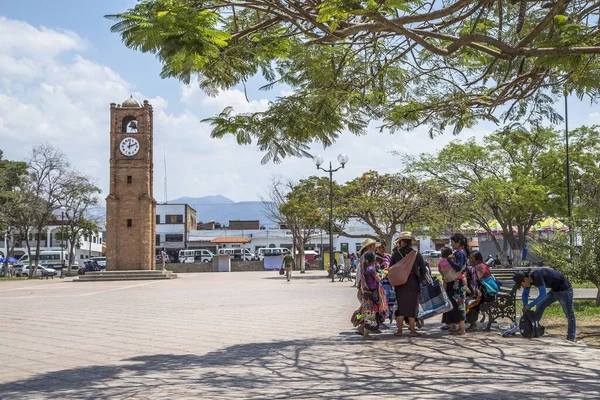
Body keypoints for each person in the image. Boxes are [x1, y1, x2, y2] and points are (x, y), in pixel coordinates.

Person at [513, 268, 576, 341]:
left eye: (521, 285)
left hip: (565, 291)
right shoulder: (529, 280)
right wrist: (525, 305)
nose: (522, 287)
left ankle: (571, 337)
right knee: (540, 305)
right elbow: (525, 294)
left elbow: (543, 295)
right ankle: (532, 328)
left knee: (569, 314)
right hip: (554, 291)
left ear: (525, 279)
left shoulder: (537, 276)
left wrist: (530, 305)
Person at [390, 232, 427, 337]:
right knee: (412, 306)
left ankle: (399, 331)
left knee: (401, 307)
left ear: (401, 242)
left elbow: (390, 269)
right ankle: (412, 331)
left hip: (400, 283)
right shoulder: (416, 254)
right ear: (411, 242)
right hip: (413, 282)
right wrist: (420, 280)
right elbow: (423, 270)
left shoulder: (396, 254)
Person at [441, 233, 470, 335]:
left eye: (453, 242)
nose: (452, 244)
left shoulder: (459, 253)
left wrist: (449, 260)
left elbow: (458, 267)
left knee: (458, 305)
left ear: (458, 243)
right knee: (456, 304)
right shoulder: (461, 252)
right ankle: (457, 327)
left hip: (456, 284)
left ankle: (461, 328)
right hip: (456, 283)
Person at [465, 251, 498, 331]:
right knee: (466, 298)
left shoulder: (481, 267)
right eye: (469, 258)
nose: (470, 260)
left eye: (471, 258)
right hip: (481, 292)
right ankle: (470, 322)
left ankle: (473, 324)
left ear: (477, 259)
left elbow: (477, 279)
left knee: (471, 302)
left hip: (487, 293)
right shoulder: (475, 267)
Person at [356, 252, 383, 340]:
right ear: (373, 259)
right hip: (371, 295)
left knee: (368, 313)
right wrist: (383, 275)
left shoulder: (364, 268)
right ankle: (366, 335)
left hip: (366, 294)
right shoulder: (372, 269)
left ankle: (364, 332)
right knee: (370, 314)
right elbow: (378, 279)